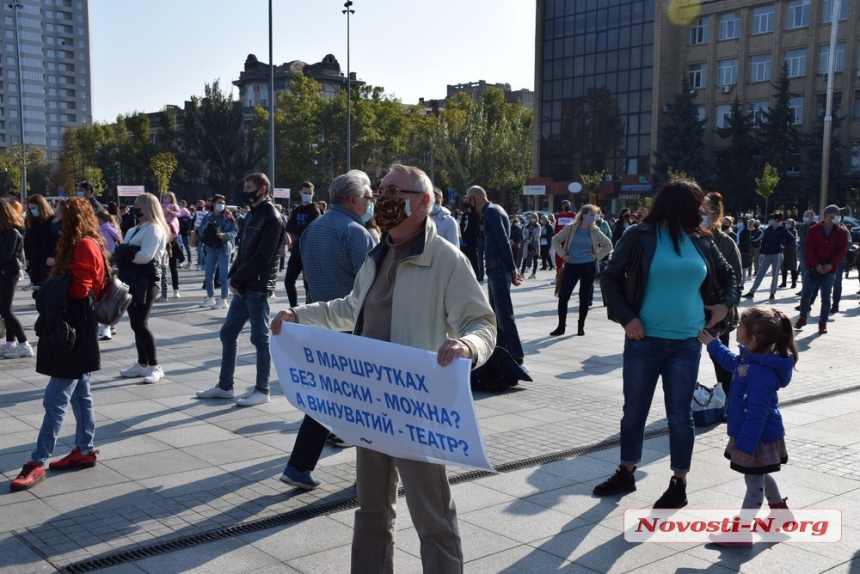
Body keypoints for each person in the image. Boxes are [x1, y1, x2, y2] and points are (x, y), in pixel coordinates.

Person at [270, 163, 496, 573]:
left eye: (395, 191)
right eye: (381, 191)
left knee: (433, 518)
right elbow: (350, 308)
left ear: (424, 202)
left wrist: (467, 345)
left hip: (415, 405)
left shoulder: (446, 260)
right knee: (372, 510)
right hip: (371, 402)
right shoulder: (377, 253)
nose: (384, 199)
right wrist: (298, 316)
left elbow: (482, 322)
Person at [596, 179, 738, 508]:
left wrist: (724, 306)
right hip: (644, 341)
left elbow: (729, 274)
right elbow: (610, 277)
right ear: (681, 207)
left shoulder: (702, 240)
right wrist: (627, 318)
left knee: (680, 416)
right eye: (698, 206)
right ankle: (627, 471)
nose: (703, 212)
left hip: (687, 343)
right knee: (634, 413)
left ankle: (679, 483)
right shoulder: (640, 235)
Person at [278, 170, 376, 489]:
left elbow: (306, 275)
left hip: (319, 319)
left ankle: (300, 465)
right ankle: (370, 472)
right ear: (352, 199)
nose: (371, 202)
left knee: (328, 395)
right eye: (368, 196)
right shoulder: (355, 232)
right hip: (350, 323)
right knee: (366, 397)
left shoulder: (314, 228)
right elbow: (369, 285)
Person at [9, 197, 108, 492]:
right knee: (81, 395)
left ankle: (37, 461)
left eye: (60, 216)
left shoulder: (84, 245)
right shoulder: (86, 243)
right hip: (79, 325)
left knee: (55, 400)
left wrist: (59, 279)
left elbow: (81, 289)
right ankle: (85, 450)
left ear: (72, 220)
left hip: (74, 327)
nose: (55, 220)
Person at [698, 306, 795, 547]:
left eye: (740, 326)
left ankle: (742, 532)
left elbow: (758, 414)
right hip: (753, 434)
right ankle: (780, 514)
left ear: (753, 338)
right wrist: (713, 344)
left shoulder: (762, 372)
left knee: (753, 482)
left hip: (757, 436)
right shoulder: (750, 358)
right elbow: (733, 363)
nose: (737, 328)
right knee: (760, 475)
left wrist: (746, 444)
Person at [196, 173, 285, 407]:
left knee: (259, 338)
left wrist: (237, 278)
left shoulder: (271, 217)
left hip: (257, 285)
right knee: (228, 333)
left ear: (262, 189)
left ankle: (262, 389)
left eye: (249, 187)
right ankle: (225, 386)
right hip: (245, 284)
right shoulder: (252, 215)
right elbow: (243, 250)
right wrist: (233, 276)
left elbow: (262, 257)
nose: (244, 190)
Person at [465, 185, 527, 370]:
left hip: (498, 266)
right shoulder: (497, 209)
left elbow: (502, 240)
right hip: (497, 266)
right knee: (497, 315)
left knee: (504, 315)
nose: (469, 206)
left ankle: (517, 357)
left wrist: (512, 267)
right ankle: (501, 352)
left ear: (474, 198)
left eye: (469, 201)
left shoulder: (491, 211)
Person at [116, 193, 169, 384]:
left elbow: (145, 256)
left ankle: (155, 366)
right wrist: (125, 254)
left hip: (146, 280)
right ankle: (142, 363)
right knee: (135, 322)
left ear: (146, 207)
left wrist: (125, 254)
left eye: (137, 205)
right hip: (132, 277)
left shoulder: (154, 229)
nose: (133, 207)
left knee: (140, 322)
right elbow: (123, 251)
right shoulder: (135, 229)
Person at [702, 192, 743, 402]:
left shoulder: (726, 243)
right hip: (689, 311)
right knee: (684, 360)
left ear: (715, 214)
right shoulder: (685, 237)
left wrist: (724, 306)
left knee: (721, 359)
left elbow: (737, 282)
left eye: (705, 211)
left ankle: (730, 401)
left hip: (718, 314)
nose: (700, 215)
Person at [549, 204, 612, 337]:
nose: (593, 218)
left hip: (588, 266)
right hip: (571, 266)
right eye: (591, 215)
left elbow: (608, 245)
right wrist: (563, 254)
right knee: (563, 296)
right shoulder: (570, 228)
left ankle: (580, 326)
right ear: (583, 215)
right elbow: (555, 240)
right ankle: (561, 326)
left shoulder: (595, 230)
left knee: (584, 297)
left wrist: (597, 256)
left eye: (595, 215)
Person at [796, 205, 849, 334]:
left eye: (838, 214)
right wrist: (817, 264)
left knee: (826, 297)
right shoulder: (814, 230)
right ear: (827, 216)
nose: (837, 217)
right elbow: (809, 248)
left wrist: (831, 265)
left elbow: (841, 251)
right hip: (813, 267)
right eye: (835, 214)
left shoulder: (841, 232)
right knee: (806, 294)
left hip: (830, 269)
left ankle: (822, 323)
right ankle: (803, 317)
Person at [0, 200, 32, 359]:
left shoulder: (12, 232)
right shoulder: (5, 231)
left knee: (5, 309)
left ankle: (24, 344)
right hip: (5, 272)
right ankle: (10, 342)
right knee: (6, 308)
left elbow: (6, 255)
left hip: (9, 272)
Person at [284, 182, 321, 307]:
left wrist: (297, 228)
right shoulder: (297, 210)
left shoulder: (314, 210)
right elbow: (288, 226)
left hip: (309, 251)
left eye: (309, 193)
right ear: (300, 192)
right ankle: (293, 306)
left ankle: (308, 308)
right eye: (305, 193)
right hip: (296, 249)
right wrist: (299, 228)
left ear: (313, 194)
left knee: (308, 283)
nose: (307, 195)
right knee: (289, 280)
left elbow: (309, 228)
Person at [199, 195, 237, 309]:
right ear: (213, 204)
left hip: (224, 249)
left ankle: (223, 299)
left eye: (223, 203)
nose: (221, 205)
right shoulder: (207, 216)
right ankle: (210, 297)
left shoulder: (228, 217)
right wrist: (204, 228)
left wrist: (224, 235)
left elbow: (235, 232)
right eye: (219, 202)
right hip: (211, 248)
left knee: (223, 275)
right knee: (209, 274)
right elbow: (200, 231)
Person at [743, 213, 792, 300]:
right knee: (760, 273)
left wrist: (782, 244)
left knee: (775, 274)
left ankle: (772, 293)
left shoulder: (782, 230)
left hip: (777, 254)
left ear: (776, 220)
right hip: (767, 254)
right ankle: (752, 292)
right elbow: (764, 240)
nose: (770, 221)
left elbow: (791, 238)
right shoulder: (769, 229)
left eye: (772, 219)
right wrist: (762, 251)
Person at [96, 210, 122, 340]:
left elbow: (116, 239)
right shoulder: (111, 226)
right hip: (109, 257)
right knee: (108, 290)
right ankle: (110, 325)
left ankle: (106, 326)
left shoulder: (104, 228)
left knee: (104, 292)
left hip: (107, 258)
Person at [23, 194, 55, 295]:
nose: (32, 211)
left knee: (46, 286)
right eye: (30, 209)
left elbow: (53, 239)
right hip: (35, 255)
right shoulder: (30, 221)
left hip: (46, 255)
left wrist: (52, 255)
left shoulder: (51, 220)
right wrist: (27, 257)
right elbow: (27, 240)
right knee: (37, 290)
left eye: (34, 208)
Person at [553, 200, 577, 286]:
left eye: (569, 205)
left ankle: (569, 276)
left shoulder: (574, 215)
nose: (568, 207)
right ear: (562, 206)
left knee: (570, 258)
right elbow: (556, 228)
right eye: (566, 205)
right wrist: (557, 237)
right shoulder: (559, 216)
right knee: (558, 258)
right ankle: (557, 276)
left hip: (570, 240)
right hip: (561, 240)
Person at [459, 194, 482, 280]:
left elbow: (473, 229)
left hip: (471, 242)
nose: (465, 203)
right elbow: (461, 226)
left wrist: (466, 239)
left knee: (473, 258)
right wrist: (461, 238)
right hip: (463, 242)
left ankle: (477, 275)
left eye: (466, 201)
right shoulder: (465, 215)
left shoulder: (475, 215)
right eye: (464, 201)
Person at [796, 210, 815, 294]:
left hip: (813, 252)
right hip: (803, 250)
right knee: (803, 271)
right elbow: (800, 237)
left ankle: (812, 289)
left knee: (812, 271)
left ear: (812, 217)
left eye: (807, 215)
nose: (805, 217)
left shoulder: (816, 226)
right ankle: (804, 289)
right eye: (804, 215)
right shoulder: (802, 226)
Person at [779, 218, 798, 289]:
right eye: (787, 223)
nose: (787, 224)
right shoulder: (784, 230)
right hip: (784, 250)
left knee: (793, 267)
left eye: (789, 223)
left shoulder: (794, 231)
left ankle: (794, 282)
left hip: (792, 250)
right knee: (784, 266)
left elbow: (792, 239)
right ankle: (784, 282)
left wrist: (784, 241)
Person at [519, 213, 540, 279]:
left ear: (537, 218)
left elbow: (538, 235)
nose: (533, 218)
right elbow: (523, 233)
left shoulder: (538, 226)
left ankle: (533, 274)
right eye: (532, 217)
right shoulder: (526, 225)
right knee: (525, 258)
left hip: (534, 244)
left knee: (534, 259)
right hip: (526, 244)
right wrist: (526, 239)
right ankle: (522, 273)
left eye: (534, 217)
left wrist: (530, 240)